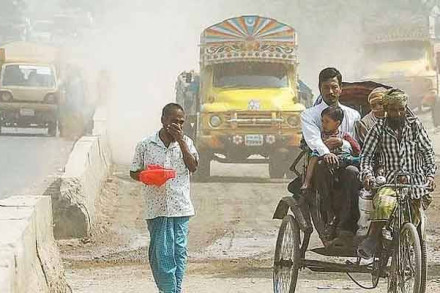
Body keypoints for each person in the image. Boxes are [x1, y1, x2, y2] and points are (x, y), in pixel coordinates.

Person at [357, 89, 437, 259]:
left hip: (415, 184)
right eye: (393, 110)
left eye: (401, 109)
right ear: (386, 109)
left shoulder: (415, 126)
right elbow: (366, 157)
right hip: (390, 182)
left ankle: (409, 248)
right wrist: (368, 175)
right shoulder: (378, 129)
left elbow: (428, 152)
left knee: (416, 221)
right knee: (385, 204)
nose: (398, 113)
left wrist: (430, 176)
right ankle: (372, 239)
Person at [130, 103, 199, 293]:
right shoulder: (146, 145)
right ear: (163, 120)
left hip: (181, 207)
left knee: (179, 253)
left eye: (181, 122)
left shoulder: (187, 143)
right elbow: (134, 171)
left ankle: (173, 290)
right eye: (173, 121)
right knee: (161, 254)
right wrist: (148, 175)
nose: (177, 125)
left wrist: (182, 142)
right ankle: (169, 289)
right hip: (157, 208)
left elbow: (193, 166)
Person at [301, 67, 361, 240]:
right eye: (326, 87)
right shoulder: (309, 115)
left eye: (334, 87)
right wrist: (327, 153)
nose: (331, 91)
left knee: (353, 173)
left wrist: (342, 143)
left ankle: (346, 223)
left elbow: (356, 143)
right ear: (320, 88)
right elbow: (313, 140)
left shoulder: (353, 115)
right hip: (322, 163)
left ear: (341, 88)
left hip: (347, 162)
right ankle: (329, 217)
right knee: (323, 166)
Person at [302, 106, 360, 226]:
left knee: (353, 171)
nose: (323, 124)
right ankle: (329, 212)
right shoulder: (320, 138)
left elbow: (358, 150)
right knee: (321, 163)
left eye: (327, 122)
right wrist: (307, 182)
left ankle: (347, 218)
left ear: (337, 123)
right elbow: (314, 156)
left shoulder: (344, 136)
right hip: (326, 173)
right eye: (322, 121)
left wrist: (343, 143)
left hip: (344, 168)